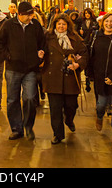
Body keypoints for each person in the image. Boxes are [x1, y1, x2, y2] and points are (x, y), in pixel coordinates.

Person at [0, 1, 45, 141]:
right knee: (12, 99)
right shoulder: (8, 25)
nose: (30, 18)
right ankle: (16, 129)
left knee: (29, 98)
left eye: (32, 15)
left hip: (30, 69)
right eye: (28, 15)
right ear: (19, 14)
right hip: (13, 69)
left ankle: (28, 126)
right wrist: (8, 56)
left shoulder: (35, 26)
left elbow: (42, 42)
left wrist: (40, 55)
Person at [41, 13, 88, 144]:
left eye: (64, 24)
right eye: (59, 24)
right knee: (55, 109)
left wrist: (78, 64)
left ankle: (69, 119)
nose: (61, 26)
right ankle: (58, 134)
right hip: (52, 77)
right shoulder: (48, 37)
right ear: (54, 25)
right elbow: (40, 50)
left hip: (70, 77)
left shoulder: (75, 38)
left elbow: (84, 53)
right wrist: (40, 55)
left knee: (71, 105)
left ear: (68, 26)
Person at [89, 12, 112, 148]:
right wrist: (91, 74)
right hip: (101, 78)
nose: (109, 24)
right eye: (107, 21)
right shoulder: (96, 37)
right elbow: (91, 56)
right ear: (102, 23)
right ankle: (99, 117)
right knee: (101, 104)